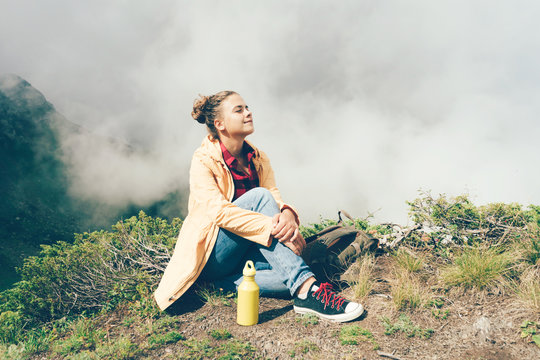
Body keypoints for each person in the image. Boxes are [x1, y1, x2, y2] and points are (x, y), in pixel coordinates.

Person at [153, 91, 364, 322]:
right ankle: (307, 293)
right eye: (239, 109)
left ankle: (218, 286)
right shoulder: (203, 160)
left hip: (244, 252)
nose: (248, 112)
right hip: (214, 253)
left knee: (288, 276)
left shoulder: (258, 157)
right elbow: (220, 213)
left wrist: (288, 214)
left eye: (247, 107)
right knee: (260, 197)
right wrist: (272, 226)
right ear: (219, 124)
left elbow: (275, 196)